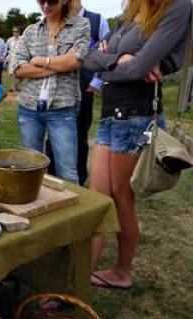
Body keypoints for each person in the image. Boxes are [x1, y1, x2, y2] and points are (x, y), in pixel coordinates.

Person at [84, 0, 192, 289]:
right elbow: (89, 57)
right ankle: (81, 278)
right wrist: (118, 61)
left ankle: (122, 271)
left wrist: (118, 63)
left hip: (136, 116)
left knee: (121, 198)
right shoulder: (131, 11)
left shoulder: (178, 6)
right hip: (110, 114)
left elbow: (138, 69)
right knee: (97, 199)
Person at [14, 0, 90, 184]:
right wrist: (59, 65)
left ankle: (72, 212)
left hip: (62, 108)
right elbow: (17, 68)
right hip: (29, 108)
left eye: (52, 1)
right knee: (30, 169)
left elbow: (76, 61)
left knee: (68, 173)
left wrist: (41, 60)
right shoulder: (31, 31)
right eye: (41, 1)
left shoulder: (81, 25)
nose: (46, 5)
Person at [47, 0, 110, 186]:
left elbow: (106, 53)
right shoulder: (55, 18)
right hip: (58, 87)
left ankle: (79, 181)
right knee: (53, 134)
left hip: (84, 87)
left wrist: (95, 83)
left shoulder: (97, 21)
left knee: (80, 135)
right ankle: (50, 177)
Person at [5, 26, 21, 92]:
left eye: (16, 31)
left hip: (20, 58)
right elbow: (5, 48)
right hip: (12, 58)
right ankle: (12, 87)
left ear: (19, 32)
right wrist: (5, 57)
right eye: (14, 31)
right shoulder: (10, 39)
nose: (15, 33)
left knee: (19, 73)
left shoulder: (22, 39)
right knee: (12, 73)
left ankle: (16, 86)